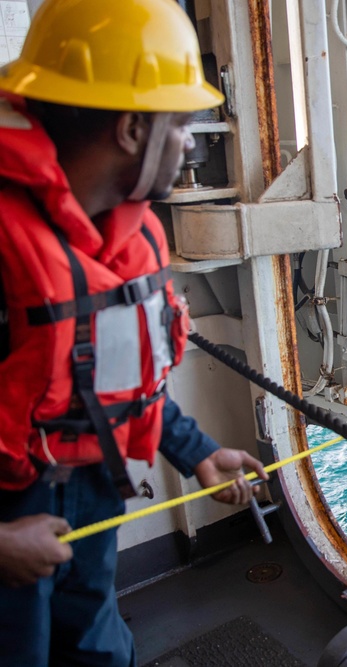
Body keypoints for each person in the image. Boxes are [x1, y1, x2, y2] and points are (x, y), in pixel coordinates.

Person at [0, 1, 269, 665]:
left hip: (92, 492)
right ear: (129, 130)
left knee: (98, 646)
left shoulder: (132, 235)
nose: (190, 144)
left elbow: (119, 375)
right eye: (179, 125)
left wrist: (198, 451)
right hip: (11, 514)